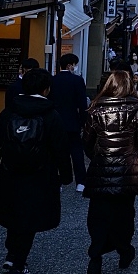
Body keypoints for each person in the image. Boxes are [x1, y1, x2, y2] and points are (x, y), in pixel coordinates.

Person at [0, 68, 72, 274]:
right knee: (29, 218)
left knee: (14, 214)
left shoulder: (8, 112)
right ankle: (18, 263)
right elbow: (61, 148)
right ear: (46, 89)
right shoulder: (50, 115)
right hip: (40, 174)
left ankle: (12, 255)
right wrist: (66, 175)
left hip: (10, 172)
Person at [82, 70, 138, 274]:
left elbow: (86, 141)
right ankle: (124, 249)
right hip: (127, 171)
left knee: (98, 215)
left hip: (101, 169)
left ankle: (95, 256)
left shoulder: (96, 109)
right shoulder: (135, 109)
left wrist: (97, 155)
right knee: (124, 214)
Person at [49, 53, 89, 192]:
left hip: (55, 121)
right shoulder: (77, 81)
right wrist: (84, 122)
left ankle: (58, 181)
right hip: (73, 121)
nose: (75, 67)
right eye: (74, 64)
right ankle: (81, 182)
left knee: (57, 152)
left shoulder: (53, 80)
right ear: (69, 65)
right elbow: (83, 105)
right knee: (77, 152)